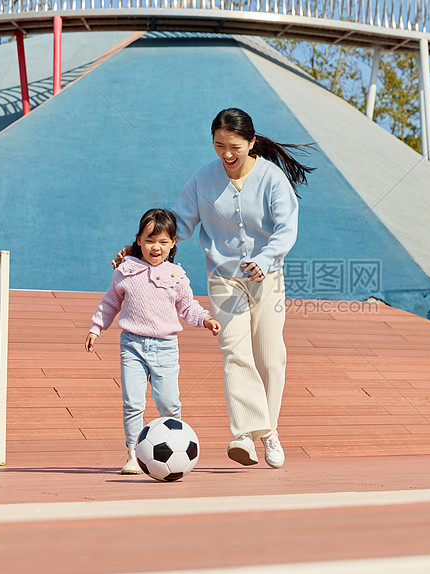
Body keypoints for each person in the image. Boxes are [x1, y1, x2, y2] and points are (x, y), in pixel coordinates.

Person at [115, 108, 314, 468]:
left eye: (234, 146)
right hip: (224, 278)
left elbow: (287, 228)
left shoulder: (271, 179)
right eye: (219, 145)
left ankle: (269, 430)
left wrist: (266, 259)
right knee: (235, 352)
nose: (226, 154)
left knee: (270, 357)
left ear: (251, 143)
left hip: (267, 277)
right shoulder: (203, 179)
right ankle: (247, 436)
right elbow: (178, 225)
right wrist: (135, 250)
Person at [86, 208, 221, 474]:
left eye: (162, 241)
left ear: (172, 243)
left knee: (168, 403)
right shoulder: (126, 271)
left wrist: (205, 319)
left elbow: (187, 307)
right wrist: (96, 327)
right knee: (133, 402)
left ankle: (176, 448)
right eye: (149, 240)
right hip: (132, 346)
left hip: (165, 348)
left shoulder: (176, 276)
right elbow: (110, 302)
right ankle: (134, 454)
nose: (155, 247)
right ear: (138, 240)